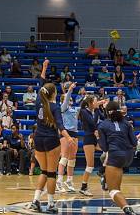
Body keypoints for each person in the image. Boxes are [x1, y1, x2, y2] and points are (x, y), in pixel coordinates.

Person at [28, 59, 75, 213]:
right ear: (54, 93)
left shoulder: (37, 102)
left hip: (38, 139)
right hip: (51, 140)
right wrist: (68, 138)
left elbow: (41, 84)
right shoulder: (54, 107)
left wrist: (44, 68)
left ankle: (35, 201)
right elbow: (61, 126)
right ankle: (51, 204)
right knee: (51, 173)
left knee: (43, 172)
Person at [98, 101, 138, 215]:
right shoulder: (127, 123)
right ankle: (106, 178)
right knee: (116, 185)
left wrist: (98, 138)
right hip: (129, 156)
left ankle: (127, 210)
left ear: (106, 112)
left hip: (116, 156)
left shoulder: (103, 125)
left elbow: (104, 147)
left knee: (113, 191)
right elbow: (134, 142)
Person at [79, 95, 106, 196]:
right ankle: (83, 187)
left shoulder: (92, 111)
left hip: (94, 139)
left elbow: (104, 117)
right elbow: (93, 123)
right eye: (95, 101)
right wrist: (97, 109)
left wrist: (98, 108)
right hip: (89, 139)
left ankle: (102, 172)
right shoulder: (84, 111)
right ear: (90, 103)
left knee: (107, 151)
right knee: (90, 165)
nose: (97, 102)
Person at [57, 83, 80, 192]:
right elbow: (66, 99)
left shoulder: (73, 109)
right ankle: (59, 181)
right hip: (66, 133)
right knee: (64, 157)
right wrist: (70, 89)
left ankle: (69, 180)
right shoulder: (63, 107)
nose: (70, 100)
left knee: (72, 158)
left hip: (75, 133)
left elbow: (84, 106)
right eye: (68, 99)